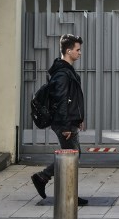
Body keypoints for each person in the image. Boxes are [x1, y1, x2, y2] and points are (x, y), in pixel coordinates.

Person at [31, 34, 88, 206]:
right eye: (77, 50)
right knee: (71, 157)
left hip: (70, 121)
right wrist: (65, 126)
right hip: (64, 123)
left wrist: (78, 119)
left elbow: (71, 99)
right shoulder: (62, 74)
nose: (80, 53)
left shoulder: (66, 71)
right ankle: (46, 180)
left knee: (73, 156)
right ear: (68, 51)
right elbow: (61, 101)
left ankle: (45, 178)